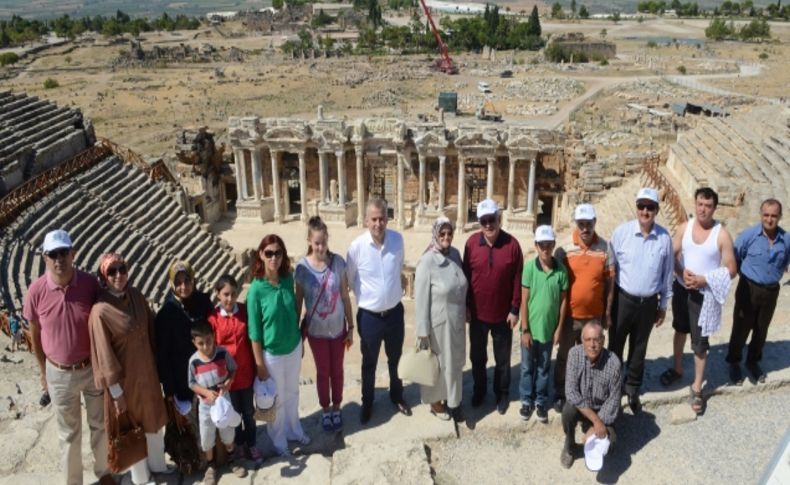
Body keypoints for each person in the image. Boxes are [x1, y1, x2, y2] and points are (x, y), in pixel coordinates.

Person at [22, 229, 114, 485]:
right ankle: (73, 483)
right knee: (68, 434)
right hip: (58, 373)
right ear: (45, 258)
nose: (59, 258)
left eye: (64, 252)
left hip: (90, 367)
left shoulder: (88, 284)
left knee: (99, 425)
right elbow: (35, 333)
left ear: (73, 253)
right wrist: (43, 372)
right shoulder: (36, 291)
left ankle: (104, 472)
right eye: (53, 254)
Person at [88, 253, 171, 485]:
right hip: (125, 383)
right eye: (112, 271)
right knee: (132, 431)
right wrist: (116, 393)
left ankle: (159, 467)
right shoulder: (100, 312)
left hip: (148, 373)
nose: (118, 275)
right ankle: (141, 478)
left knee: (153, 421)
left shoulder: (136, 295)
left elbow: (151, 328)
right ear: (104, 277)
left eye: (122, 269)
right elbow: (103, 355)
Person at [663, 188, 736, 415]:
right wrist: (680, 271)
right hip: (682, 289)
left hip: (704, 296)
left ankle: (697, 387)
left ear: (714, 208)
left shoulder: (721, 234)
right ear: (695, 205)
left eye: (708, 205)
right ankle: (677, 368)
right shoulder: (684, 228)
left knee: (700, 343)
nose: (703, 209)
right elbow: (671, 255)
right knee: (679, 330)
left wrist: (705, 280)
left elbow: (731, 268)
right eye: (700, 204)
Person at [608, 188, 673, 414]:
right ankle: (613, 385)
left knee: (639, 346)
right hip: (623, 299)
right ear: (636, 207)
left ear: (656, 210)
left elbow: (667, 274)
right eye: (641, 206)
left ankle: (633, 386)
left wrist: (664, 304)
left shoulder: (664, 238)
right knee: (615, 343)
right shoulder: (621, 233)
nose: (645, 211)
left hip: (649, 302)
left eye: (650, 207)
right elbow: (611, 267)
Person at [347, 199, 411, 424]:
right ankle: (368, 403)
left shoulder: (397, 240)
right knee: (369, 362)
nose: (378, 223)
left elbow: (399, 266)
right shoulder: (356, 247)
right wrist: (369, 298)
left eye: (382, 218)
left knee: (396, 359)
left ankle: (397, 396)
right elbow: (351, 278)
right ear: (366, 220)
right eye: (373, 219)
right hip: (370, 317)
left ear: (387, 218)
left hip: (394, 313)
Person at [247, 234, 310, 456]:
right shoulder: (256, 289)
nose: (274, 257)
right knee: (278, 398)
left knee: (293, 392)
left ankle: (295, 429)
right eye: (269, 253)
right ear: (261, 256)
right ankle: (279, 440)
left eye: (278, 252)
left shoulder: (287, 278)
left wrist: (300, 342)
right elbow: (254, 331)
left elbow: (293, 312)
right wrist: (259, 363)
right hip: (271, 354)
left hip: (292, 347)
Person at [463, 198, 523, 414]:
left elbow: (518, 278)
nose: (489, 225)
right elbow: (466, 278)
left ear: (499, 219)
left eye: (493, 220)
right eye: (484, 220)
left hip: (502, 315)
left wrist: (515, 309)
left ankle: (502, 392)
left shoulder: (512, 245)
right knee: (477, 357)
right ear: (479, 222)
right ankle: (480, 390)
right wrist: (466, 306)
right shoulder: (471, 244)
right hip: (478, 315)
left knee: (502, 359)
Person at [294, 216, 354, 431]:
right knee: (322, 371)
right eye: (317, 243)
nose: (320, 247)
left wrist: (351, 327)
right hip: (316, 332)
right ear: (310, 241)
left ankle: (337, 407)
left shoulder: (338, 263)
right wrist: (295, 333)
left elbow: (345, 297)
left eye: (324, 242)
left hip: (338, 328)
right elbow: (298, 301)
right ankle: (325, 410)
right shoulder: (301, 268)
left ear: (327, 240)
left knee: (337, 370)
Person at [553, 204, 614, 413]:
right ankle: (561, 392)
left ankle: (585, 393)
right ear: (576, 224)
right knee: (565, 356)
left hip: (594, 317)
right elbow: (556, 283)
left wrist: (607, 314)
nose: (585, 228)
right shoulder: (563, 249)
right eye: (581, 224)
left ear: (595, 223)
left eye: (589, 224)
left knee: (591, 356)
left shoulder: (605, 248)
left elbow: (609, 284)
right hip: (570, 316)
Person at [154, 261, 212, 465]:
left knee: (210, 420)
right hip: (181, 381)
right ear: (171, 284)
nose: (183, 286)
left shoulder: (204, 302)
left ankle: (214, 458)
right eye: (178, 282)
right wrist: (169, 391)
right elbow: (163, 355)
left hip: (207, 374)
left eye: (187, 280)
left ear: (193, 279)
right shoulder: (166, 314)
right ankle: (197, 462)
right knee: (189, 425)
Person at [726, 199, 789, 384]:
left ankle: (753, 362)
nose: (769, 219)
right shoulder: (749, 235)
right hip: (748, 288)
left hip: (771, 291)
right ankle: (734, 362)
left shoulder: (786, 239)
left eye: (774, 216)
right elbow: (736, 255)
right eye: (766, 215)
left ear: (780, 217)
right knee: (741, 327)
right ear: (761, 215)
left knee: (762, 329)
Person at [414, 216, 468, 422]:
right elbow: (420, 299)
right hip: (436, 325)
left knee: (454, 364)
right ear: (435, 234)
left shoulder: (454, 254)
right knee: (438, 365)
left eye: (449, 233)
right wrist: (422, 330)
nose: (446, 237)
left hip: (455, 321)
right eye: (442, 233)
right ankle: (435, 403)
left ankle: (453, 401)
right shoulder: (427, 261)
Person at [208, 274, 263, 466]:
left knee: (249, 411)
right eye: (225, 294)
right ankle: (239, 444)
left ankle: (252, 443)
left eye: (232, 294)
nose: (229, 299)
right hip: (227, 377)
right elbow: (212, 348)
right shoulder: (213, 319)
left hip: (246, 372)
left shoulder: (244, 312)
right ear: (217, 294)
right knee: (235, 413)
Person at [188, 320, 247, 485]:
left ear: (213, 337)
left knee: (228, 433)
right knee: (207, 437)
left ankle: (232, 460)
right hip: (205, 406)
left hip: (224, 402)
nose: (206, 347)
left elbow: (233, 369)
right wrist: (206, 392)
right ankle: (210, 466)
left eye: (208, 341)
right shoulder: (193, 361)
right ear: (194, 343)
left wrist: (229, 382)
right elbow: (192, 383)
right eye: (201, 343)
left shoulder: (222, 353)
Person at [519, 225, 568, 423]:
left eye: (548, 245)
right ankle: (526, 400)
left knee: (543, 367)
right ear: (536, 246)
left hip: (548, 330)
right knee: (526, 367)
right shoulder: (530, 268)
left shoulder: (561, 271)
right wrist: (525, 329)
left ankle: (540, 401)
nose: (545, 249)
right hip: (530, 329)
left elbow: (564, 301)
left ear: (553, 244)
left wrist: (559, 329)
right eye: (541, 245)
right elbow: (524, 300)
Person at [560, 321, 621, 469]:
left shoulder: (613, 363)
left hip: (602, 410)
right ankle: (570, 444)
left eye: (596, 340)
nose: (592, 345)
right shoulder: (574, 354)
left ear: (603, 340)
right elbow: (571, 392)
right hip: (582, 408)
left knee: (611, 442)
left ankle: (591, 442)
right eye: (588, 340)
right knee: (567, 411)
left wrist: (596, 426)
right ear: (582, 340)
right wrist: (596, 422)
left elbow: (613, 402)